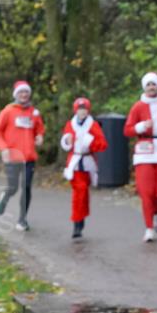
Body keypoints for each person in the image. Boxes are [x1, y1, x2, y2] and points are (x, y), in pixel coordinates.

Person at [124, 72, 157, 242]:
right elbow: (127, 130)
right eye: (148, 85)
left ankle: (156, 212)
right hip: (144, 150)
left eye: (153, 84)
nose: (151, 88)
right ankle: (149, 228)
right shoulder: (138, 107)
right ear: (144, 87)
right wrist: (141, 126)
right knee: (146, 192)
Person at [0, 80, 45, 231]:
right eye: (21, 92)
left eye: (26, 92)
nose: (24, 95)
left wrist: (40, 136)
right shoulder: (8, 111)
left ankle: (22, 219)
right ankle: (6, 195)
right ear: (16, 94)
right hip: (12, 157)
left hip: (29, 157)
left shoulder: (34, 112)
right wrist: (4, 149)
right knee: (14, 187)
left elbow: (39, 128)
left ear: (29, 94)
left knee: (26, 187)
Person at [60, 97, 107, 239]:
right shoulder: (70, 124)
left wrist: (91, 141)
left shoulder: (93, 125)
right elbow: (66, 142)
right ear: (75, 110)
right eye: (80, 109)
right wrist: (67, 142)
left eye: (84, 109)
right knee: (78, 191)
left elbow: (103, 144)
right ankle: (76, 222)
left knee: (83, 192)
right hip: (74, 162)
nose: (82, 112)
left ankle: (81, 218)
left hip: (87, 162)